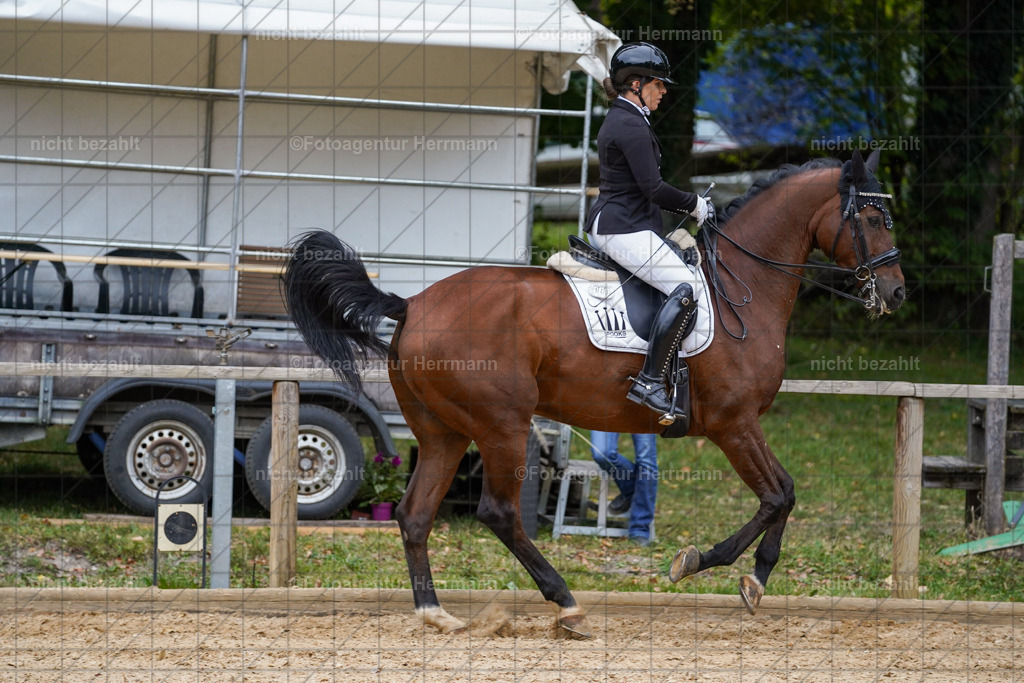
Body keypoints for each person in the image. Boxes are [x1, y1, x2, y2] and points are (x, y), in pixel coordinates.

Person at [584, 42, 710, 424]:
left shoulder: (629, 119)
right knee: (685, 287)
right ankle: (650, 381)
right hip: (621, 227)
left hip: (627, 224)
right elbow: (653, 189)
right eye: (658, 83)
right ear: (635, 84)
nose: (664, 90)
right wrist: (695, 205)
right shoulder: (628, 123)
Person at [590, 430, 658, 545]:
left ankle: (640, 529)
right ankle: (634, 492)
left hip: (645, 411)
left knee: (646, 461)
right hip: (606, 411)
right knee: (601, 453)